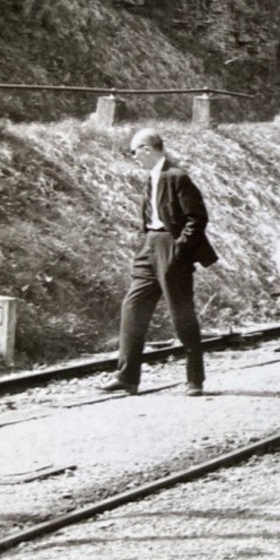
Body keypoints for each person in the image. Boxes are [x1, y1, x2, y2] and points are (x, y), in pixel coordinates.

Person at [103, 128, 219, 396]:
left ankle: (195, 379)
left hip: (171, 246)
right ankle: (127, 377)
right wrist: (147, 244)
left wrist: (180, 248)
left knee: (181, 313)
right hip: (150, 246)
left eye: (134, 151)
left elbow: (197, 218)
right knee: (133, 307)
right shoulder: (152, 178)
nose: (133, 157)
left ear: (146, 149)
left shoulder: (177, 177)